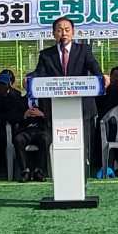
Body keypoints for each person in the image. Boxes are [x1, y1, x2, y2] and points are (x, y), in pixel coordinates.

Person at [33, 16, 104, 165]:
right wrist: (30, 80)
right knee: (61, 143)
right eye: (59, 30)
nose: (63, 33)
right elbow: (39, 74)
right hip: (57, 107)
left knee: (85, 144)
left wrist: (102, 76)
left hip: (82, 107)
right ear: (53, 33)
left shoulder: (84, 50)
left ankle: (85, 167)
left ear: (73, 33)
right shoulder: (46, 54)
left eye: (67, 30)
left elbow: (93, 66)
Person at [14, 73, 51, 182]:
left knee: (45, 139)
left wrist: (42, 114)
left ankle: (38, 171)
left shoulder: (45, 101)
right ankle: (24, 171)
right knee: (18, 139)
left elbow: (53, 115)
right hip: (25, 130)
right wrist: (24, 115)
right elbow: (10, 116)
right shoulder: (19, 100)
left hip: (40, 130)